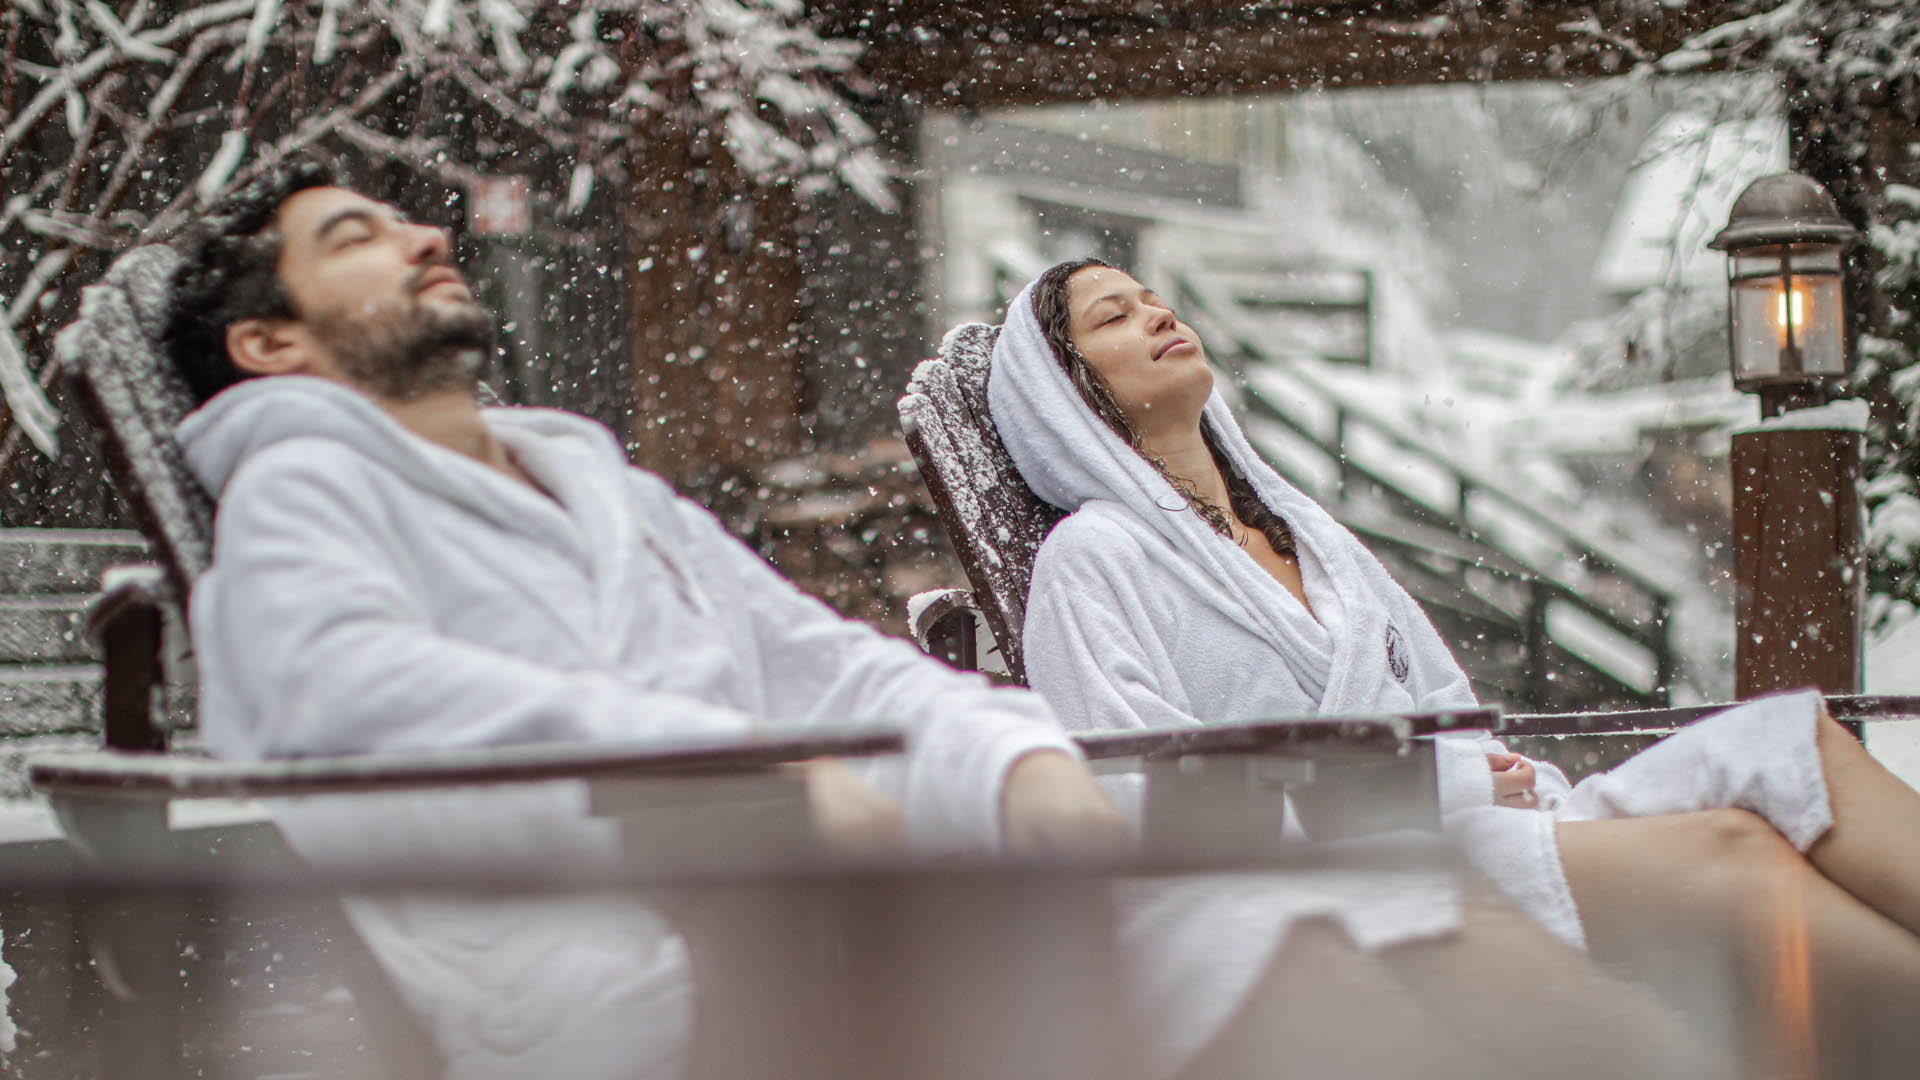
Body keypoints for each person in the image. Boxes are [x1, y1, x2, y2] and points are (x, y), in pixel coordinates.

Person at [160, 162, 1713, 1080]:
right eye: (353, 239)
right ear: (269, 341)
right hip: (637, 965)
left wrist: (1013, 755)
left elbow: (825, 664)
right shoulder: (298, 494)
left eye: (405, 219)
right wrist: (741, 776)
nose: (422, 237)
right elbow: (338, 688)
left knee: (1347, 899)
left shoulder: (592, 487)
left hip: (809, 895)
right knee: (1263, 909)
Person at [988, 256, 1920, 1078]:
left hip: (1467, 821)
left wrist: (1472, 771)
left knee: (1792, 735)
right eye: (1112, 317)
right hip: (1365, 880)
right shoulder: (1094, 559)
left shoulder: (1308, 535)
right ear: (1068, 397)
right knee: (1734, 852)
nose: (1157, 314)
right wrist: (1422, 786)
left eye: (1153, 299)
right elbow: (1145, 811)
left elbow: (1444, 709)